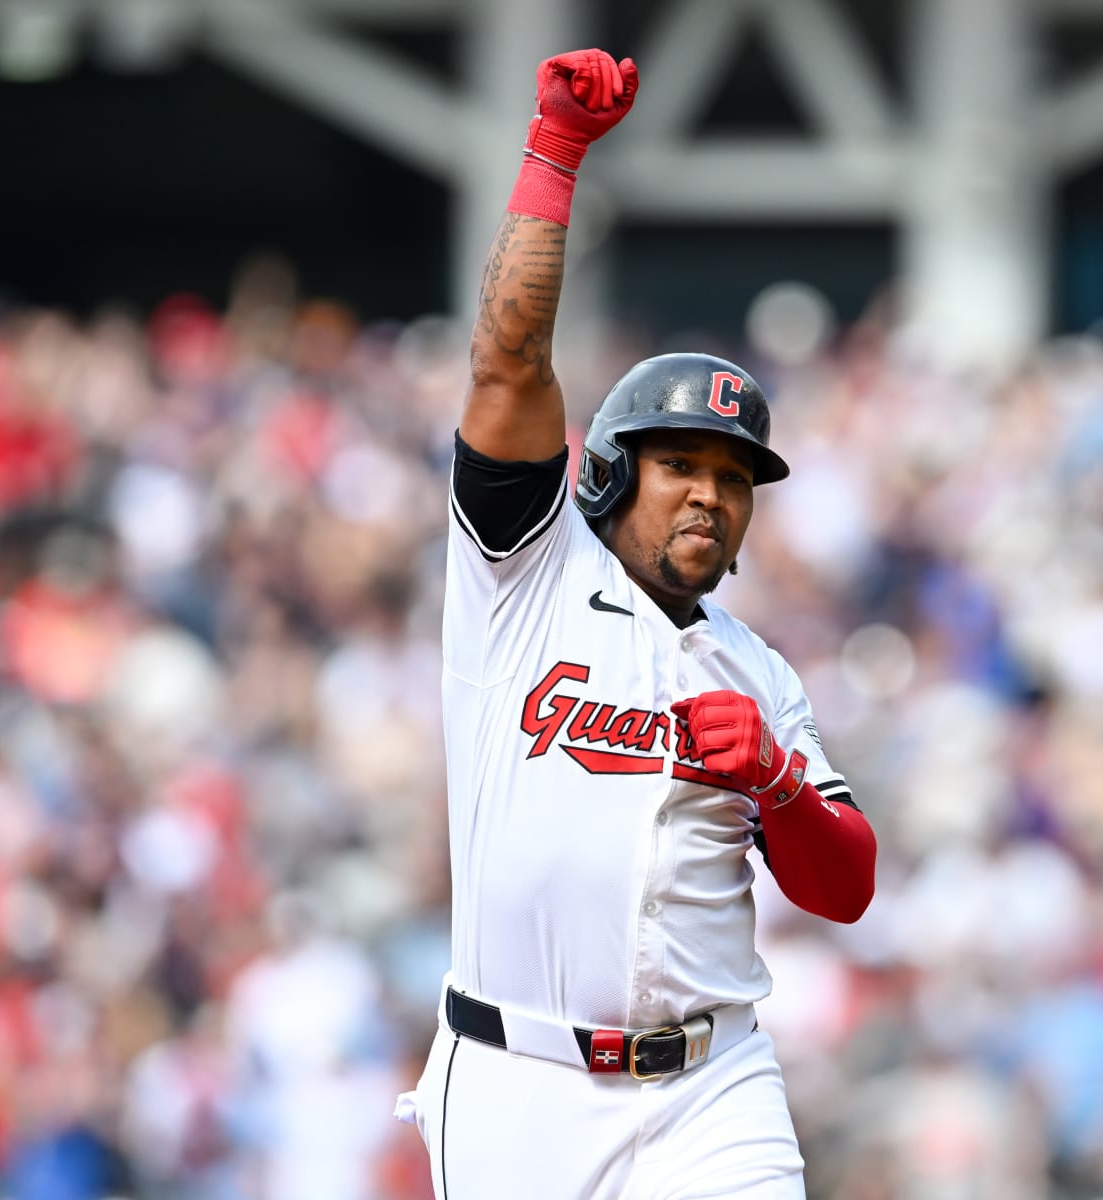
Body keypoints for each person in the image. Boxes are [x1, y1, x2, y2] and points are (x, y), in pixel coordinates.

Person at [393, 47, 878, 1199]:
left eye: (735, 475)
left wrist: (776, 783)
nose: (709, 492)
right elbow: (508, 363)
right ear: (609, 475)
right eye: (679, 463)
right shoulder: (522, 575)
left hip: (712, 1085)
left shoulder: (755, 670)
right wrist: (554, 156)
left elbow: (848, 886)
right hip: (517, 1082)